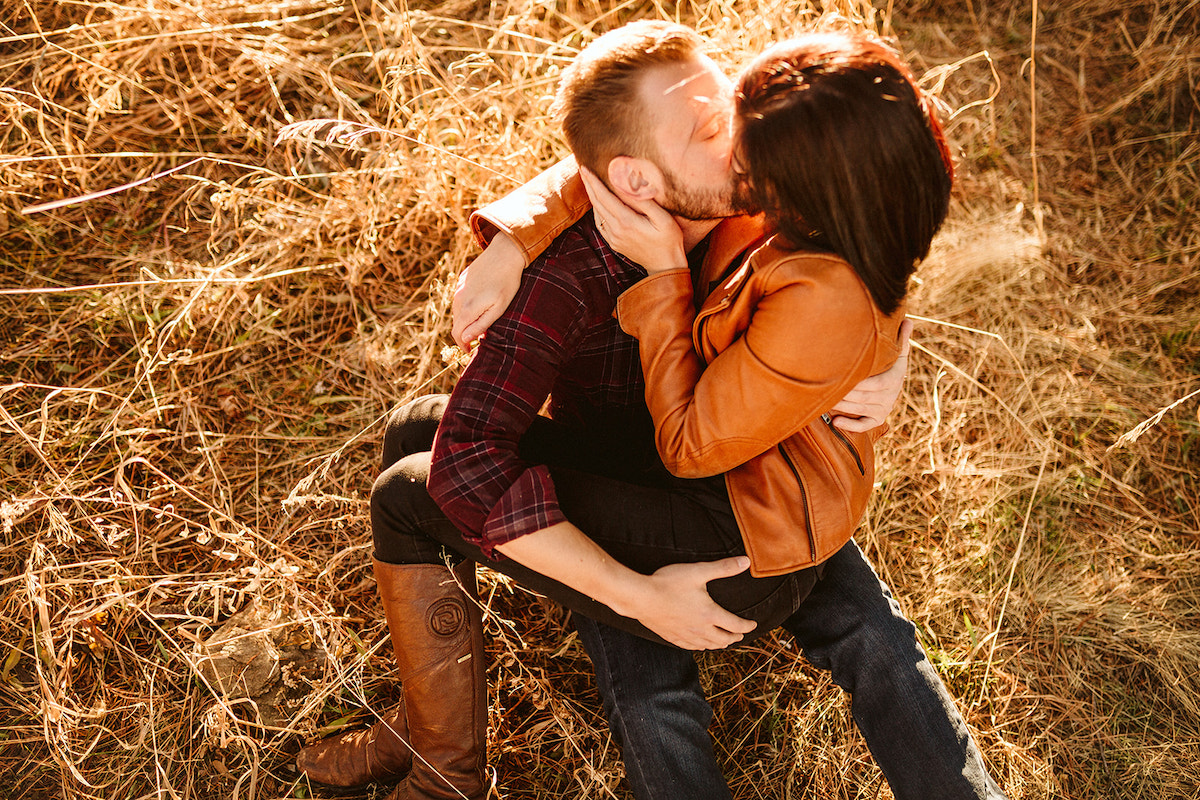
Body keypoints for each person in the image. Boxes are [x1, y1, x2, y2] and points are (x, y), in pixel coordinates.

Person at [296, 21, 1005, 800]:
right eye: (719, 122)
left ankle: (442, 775)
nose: (742, 139)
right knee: (420, 430)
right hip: (707, 467)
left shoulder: (763, 211)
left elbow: (865, 234)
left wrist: (883, 346)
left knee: (706, 662)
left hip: (750, 494)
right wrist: (509, 240)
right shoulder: (656, 223)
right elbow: (596, 163)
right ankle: (431, 735)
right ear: (633, 181)